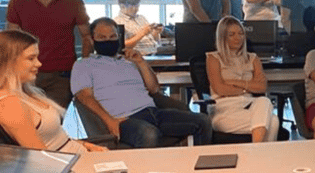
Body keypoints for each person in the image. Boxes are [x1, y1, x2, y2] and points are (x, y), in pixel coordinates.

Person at [71, 18, 213, 148]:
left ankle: (196, 169)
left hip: (153, 112)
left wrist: (141, 62)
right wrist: (110, 121)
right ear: (92, 40)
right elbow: (85, 97)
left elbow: (154, 89)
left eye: (113, 36)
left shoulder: (129, 61)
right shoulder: (84, 65)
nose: (108, 40)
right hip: (123, 119)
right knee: (149, 134)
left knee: (203, 121)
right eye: (102, 37)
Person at [6, 0, 92, 108]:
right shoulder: (18, 2)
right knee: (27, 119)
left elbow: (87, 37)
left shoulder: (73, 2)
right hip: (26, 74)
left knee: (54, 121)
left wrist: (83, 69)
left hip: (61, 76)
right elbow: (11, 41)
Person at [0, 30, 105, 154]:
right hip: (70, 167)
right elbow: (42, 160)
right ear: (8, 61)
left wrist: (86, 145)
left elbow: (57, 139)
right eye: (31, 58)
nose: (38, 63)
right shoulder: (10, 105)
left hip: (81, 154)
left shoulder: (26, 92)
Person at [205, 16, 280, 143]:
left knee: (264, 101)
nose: (238, 38)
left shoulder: (252, 58)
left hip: (250, 106)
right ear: (222, 37)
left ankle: (256, 154)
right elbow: (220, 89)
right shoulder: (213, 58)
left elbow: (262, 87)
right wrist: (249, 86)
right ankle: (261, 158)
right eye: (232, 34)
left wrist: (234, 83)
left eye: (241, 33)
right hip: (224, 111)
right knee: (273, 121)